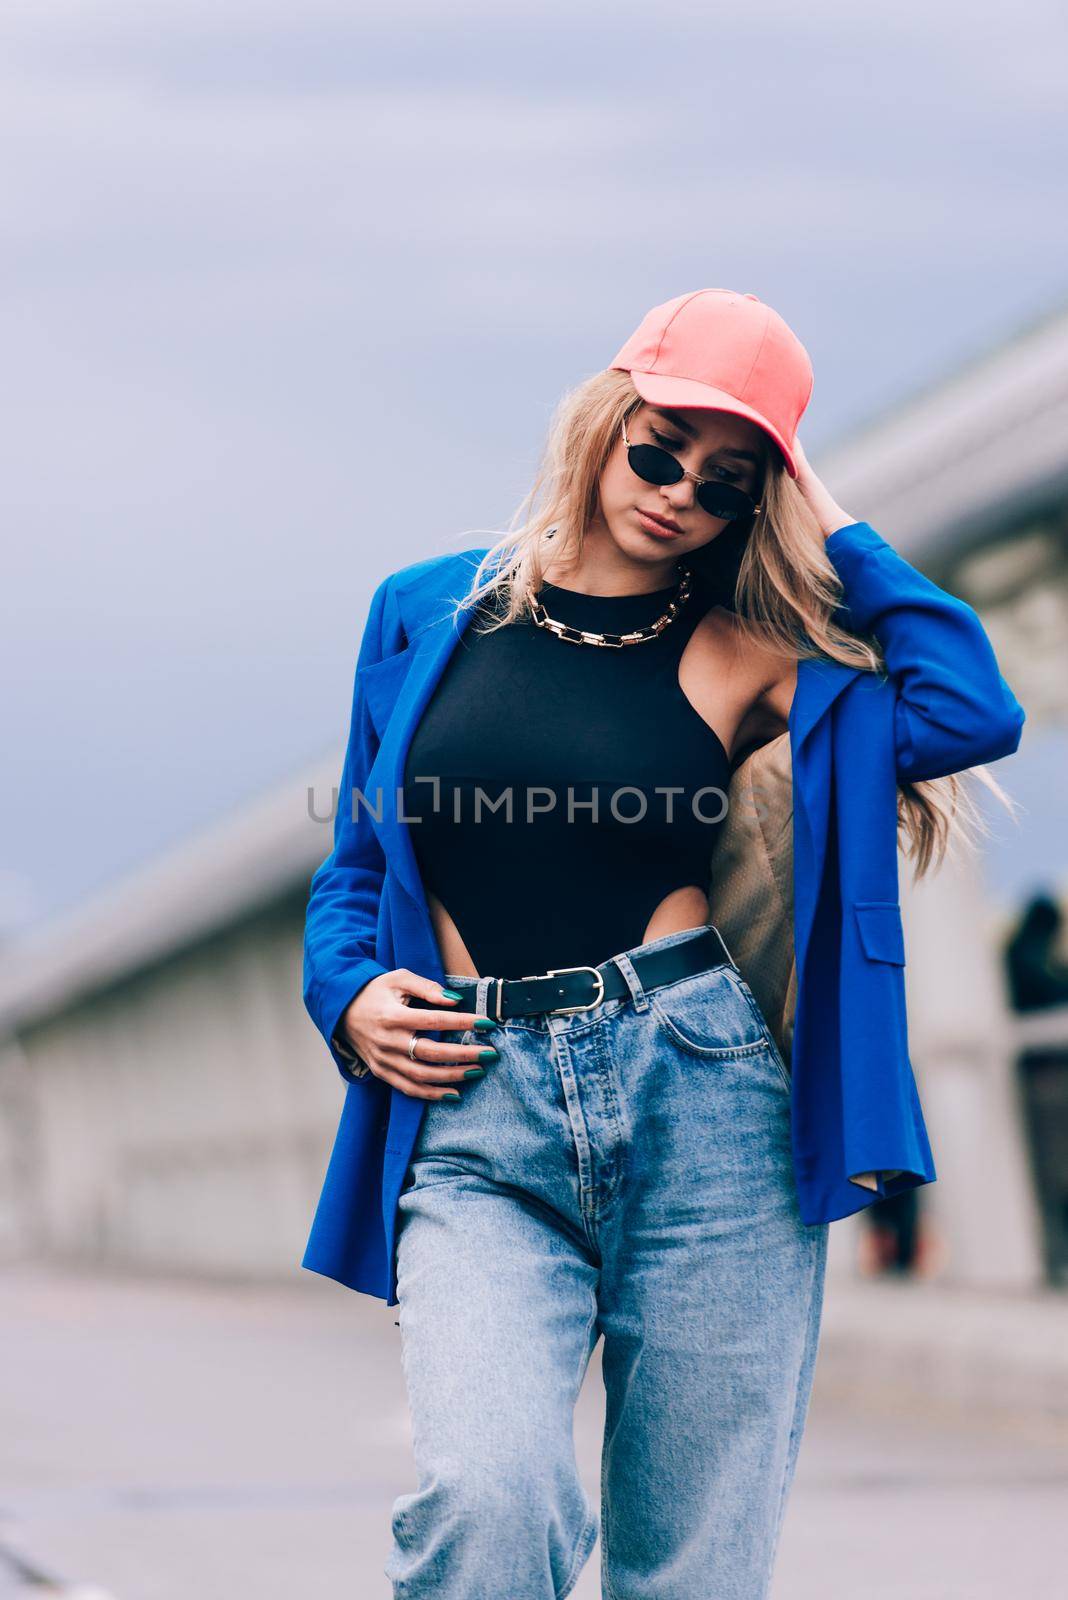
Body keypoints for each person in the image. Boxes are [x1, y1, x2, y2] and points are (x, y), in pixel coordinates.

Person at [301, 288, 1025, 1599]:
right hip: (474, 1115)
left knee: (692, 1567)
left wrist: (830, 516)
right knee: (490, 1501)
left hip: (703, 1107)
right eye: (660, 448)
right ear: (603, 420)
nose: (680, 491)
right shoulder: (424, 615)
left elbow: (967, 708)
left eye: (728, 480)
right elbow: (357, 868)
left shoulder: (747, 655)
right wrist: (348, 993)